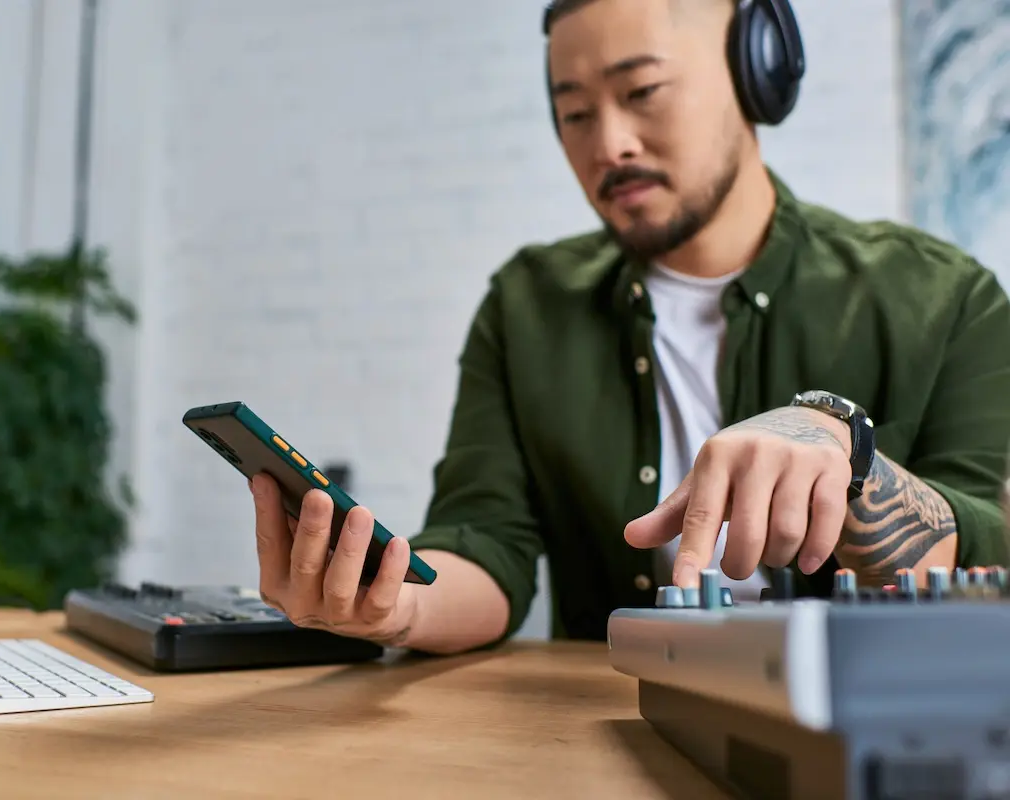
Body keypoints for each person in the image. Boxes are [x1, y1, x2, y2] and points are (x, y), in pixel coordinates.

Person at [249, 0, 1010, 655]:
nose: (607, 143)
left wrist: (849, 455)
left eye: (642, 91)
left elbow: (985, 557)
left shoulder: (944, 297)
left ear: (757, 75)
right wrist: (396, 607)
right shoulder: (527, 305)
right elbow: (487, 545)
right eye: (574, 113)